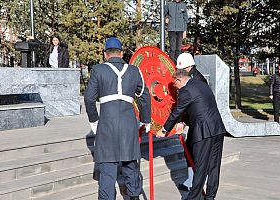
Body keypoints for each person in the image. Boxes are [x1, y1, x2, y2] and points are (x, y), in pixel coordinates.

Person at [84, 37, 151, 200]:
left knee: (107, 169)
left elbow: (88, 98)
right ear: (121, 53)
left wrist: (94, 120)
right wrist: (145, 119)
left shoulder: (98, 70)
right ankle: (134, 196)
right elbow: (145, 97)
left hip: (107, 125)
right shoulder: (134, 71)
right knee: (130, 165)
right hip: (128, 125)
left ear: (106, 54)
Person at [156, 69, 228, 200]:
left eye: (174, 84)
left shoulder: (186, 90)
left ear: (179, 80)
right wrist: (184, 122)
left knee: (200, 167)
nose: (175, 87)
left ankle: (193, 198)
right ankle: (210, 197)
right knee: (214, 167)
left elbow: (177, 111)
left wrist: (164, 129)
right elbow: (198, 108)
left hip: (204, 132)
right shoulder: (201, 84)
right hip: (217, 129)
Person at [175, 52, 207, 192]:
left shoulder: (194, 79)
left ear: (187, 67)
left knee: (195, 152)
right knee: (190, 149)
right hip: (197, 120)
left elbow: (188, 103)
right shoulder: (196, 76)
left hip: (199, 122)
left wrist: (181, 120)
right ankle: (191, 180)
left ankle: (197, 183)